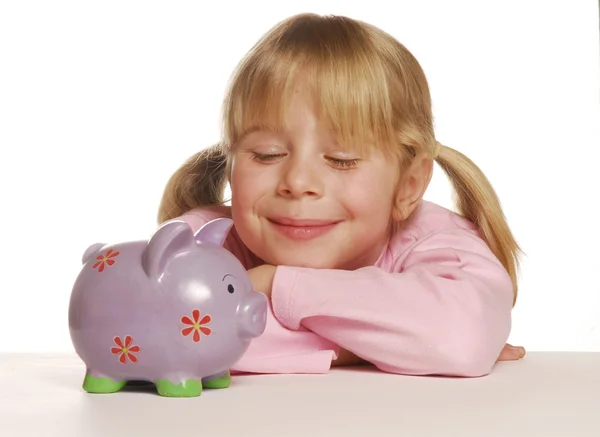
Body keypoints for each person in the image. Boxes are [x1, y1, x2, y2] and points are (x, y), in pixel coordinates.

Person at [157, 13, 526, 377]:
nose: (298, 182)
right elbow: (155, 331)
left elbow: (460, 337)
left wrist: (277, 283)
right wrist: (376, 345)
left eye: (341, 160)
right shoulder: (199, 242)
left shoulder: (437, 240)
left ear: (408, 185)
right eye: (267, 154)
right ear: (232, 165)